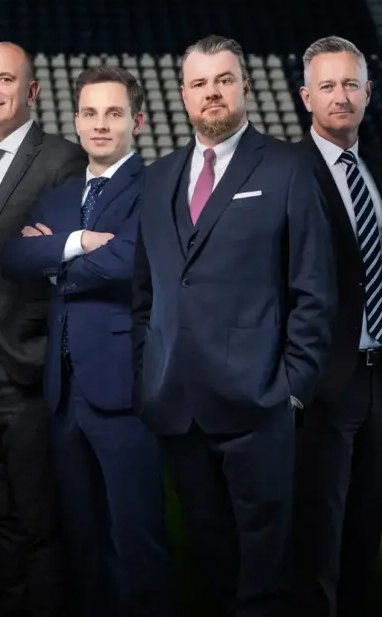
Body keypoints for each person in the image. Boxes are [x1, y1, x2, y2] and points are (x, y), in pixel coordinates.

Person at [131, 35, 336, 616]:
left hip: (259, 406)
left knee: (267, 579)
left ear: (244, 86)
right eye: (200, 83)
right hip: (178, 408)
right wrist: (147, 380)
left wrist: (292, 390)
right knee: (211, 570)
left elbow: (315, 290)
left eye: (223, 80)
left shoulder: (288, 168)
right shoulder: (158, 178)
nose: (212, 93)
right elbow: (145, 295)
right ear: (184, 96)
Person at [1, 65, 172, 617]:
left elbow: (132, 261)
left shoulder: (157, 188)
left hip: (124, 391)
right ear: (76, 120)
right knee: (82, 543)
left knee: (136, 541)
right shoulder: (62, 197)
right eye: (91, 113)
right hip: (63, 392)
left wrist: (58, 260)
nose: (100, 125)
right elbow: (14, 256)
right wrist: (78, 241)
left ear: (138, 122)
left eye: (114, 113)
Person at [291, 36, 382, 617]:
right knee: (317, 543)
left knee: (367, 536)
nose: (340, 96)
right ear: (305, 97)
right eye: (327, 86)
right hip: (319, 388)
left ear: (368, 92)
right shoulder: (285, 173)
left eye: (350, 84)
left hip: (381, 383)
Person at [0, 41, 83, 617]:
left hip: (31, 377)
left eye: (4, 79)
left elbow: (70, 260)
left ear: (31, 91)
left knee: (40, 527)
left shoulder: (61, 159)